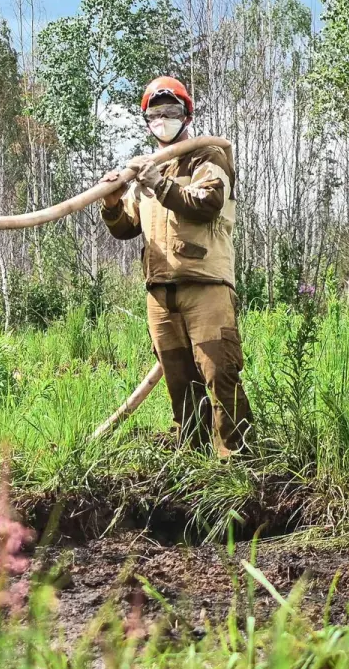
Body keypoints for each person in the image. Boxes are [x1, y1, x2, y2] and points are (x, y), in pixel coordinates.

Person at [101, 76, 253, 456]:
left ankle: (238, 461)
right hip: (160, 292)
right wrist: (112, 203)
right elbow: (126, 228)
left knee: (220, 375)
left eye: (170, 112)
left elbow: (207, 203)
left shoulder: (209, 157)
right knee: (179, 382)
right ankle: (193, 460)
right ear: (146, 121)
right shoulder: (145, 171)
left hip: (206, 286)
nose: (162, 120)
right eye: (155, 115)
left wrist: (160, 184)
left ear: (187, 115)